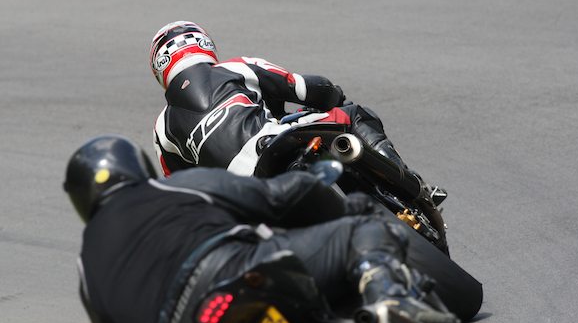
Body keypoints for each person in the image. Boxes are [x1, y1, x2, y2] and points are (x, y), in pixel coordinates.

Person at [64, 135, 481, 323]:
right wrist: (321, 187)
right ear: (137, 168)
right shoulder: (170, 187)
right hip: (243, 274)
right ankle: (389, 299)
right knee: (362, 229)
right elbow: (277, 197)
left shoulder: (86, 276)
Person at [150, 21, 445, 204]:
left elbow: (183, 192)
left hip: (241, 197)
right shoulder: (235, 67)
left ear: (160, 68)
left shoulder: (162, 129)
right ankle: (412, 187)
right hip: (275, 143)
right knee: (354, 114)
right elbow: (304, 88)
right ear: (204, 44)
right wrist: (333, 95)